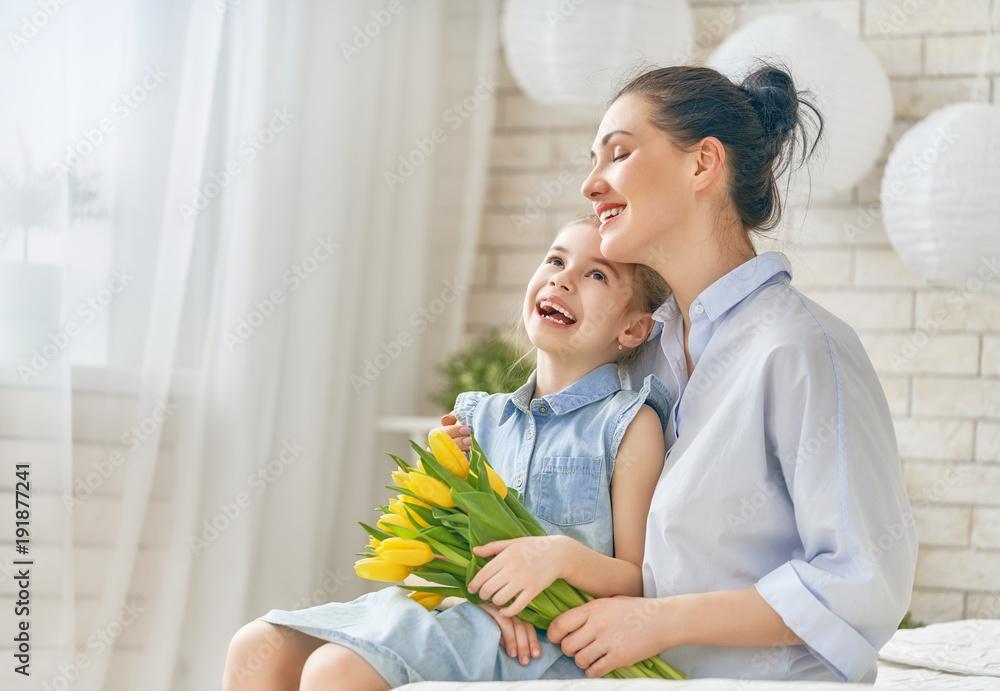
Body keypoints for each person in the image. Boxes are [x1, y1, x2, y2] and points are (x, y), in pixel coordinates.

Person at [444, 63, 918, 684]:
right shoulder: (642, 347)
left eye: (617, 154)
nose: (591, 185)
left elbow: (861, 579)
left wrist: (660, 621)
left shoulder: (802, 348)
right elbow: (573, 507)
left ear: (701, 165)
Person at [222, 215, 675, 690]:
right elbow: (430, 558)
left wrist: (556, 557)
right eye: (557, 260)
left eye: (596, 274)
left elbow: (637, 580)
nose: (563, 278)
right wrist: (441, 502)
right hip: (463, 611)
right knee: (254, 645)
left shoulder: (628, 424)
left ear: (633, 328)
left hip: (544, 640)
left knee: (334, 670)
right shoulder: (477, 419)